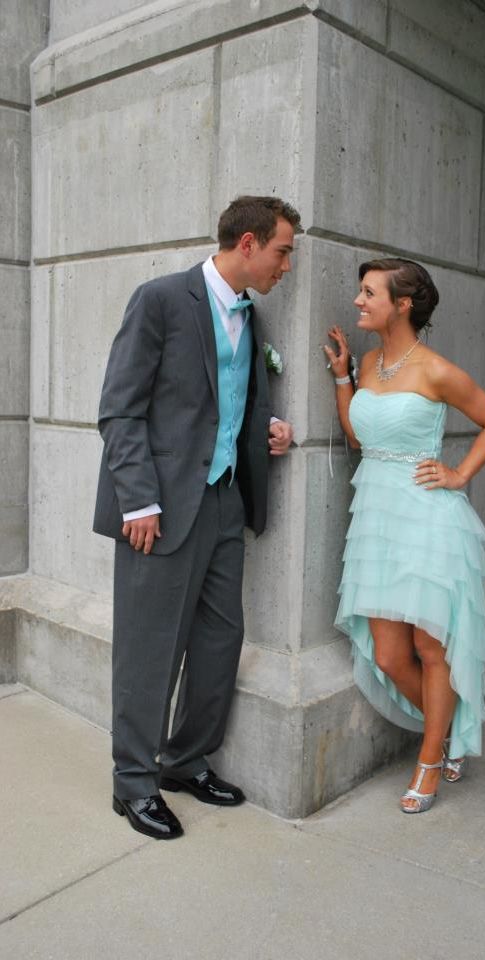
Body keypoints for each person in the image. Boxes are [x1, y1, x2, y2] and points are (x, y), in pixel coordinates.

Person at [93, 196, 299, 839]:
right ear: (247, 243)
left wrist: (270, 429)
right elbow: (119, 409)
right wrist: (139, 500)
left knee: (218, 642)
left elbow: (222, 402)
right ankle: (133, 783)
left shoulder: (251, 315)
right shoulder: (159, 300)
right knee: (149, 649)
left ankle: (184, 759)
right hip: (158, 507)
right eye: (282, 251)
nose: (286, 265)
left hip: (223, 500)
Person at [324, 258, 485, 814]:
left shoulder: (435, 369)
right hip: (377, 518)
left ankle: (430, 760)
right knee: (388, 652)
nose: (358, 301)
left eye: (368, 293)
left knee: (431, 646)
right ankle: (448, 733)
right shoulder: (374, 361)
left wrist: (459, 474)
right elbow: (360, 438)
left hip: (427, 515)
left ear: (402, 304)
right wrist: (343, 378)